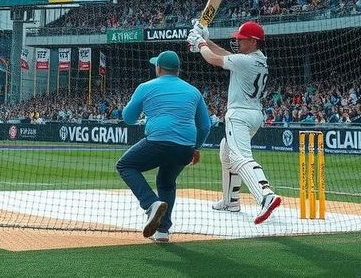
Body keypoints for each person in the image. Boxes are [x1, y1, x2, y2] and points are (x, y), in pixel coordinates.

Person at [187, 20, 282, 224]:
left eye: (241, 39)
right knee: (226, 150)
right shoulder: (256, 60)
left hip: (239, 115)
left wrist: (199, 43)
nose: (237, 42)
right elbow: (222, 53)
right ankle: (231, 201)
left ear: (253, 41)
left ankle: (266, 196)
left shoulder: (245, 61)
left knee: (240, 157)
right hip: (254, 114)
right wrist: (205, 39)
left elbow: (213, 59)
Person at [116, 50, 212, 243]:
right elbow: (205, 125)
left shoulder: (146, 87)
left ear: (158, 68)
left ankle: (151, 204)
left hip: (158, 141)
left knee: (125, 166)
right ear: (177, 70)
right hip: (185, 147)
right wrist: (196, 147)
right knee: (167, 182)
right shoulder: (193, 91)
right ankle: (162, 231)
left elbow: (128, 118)